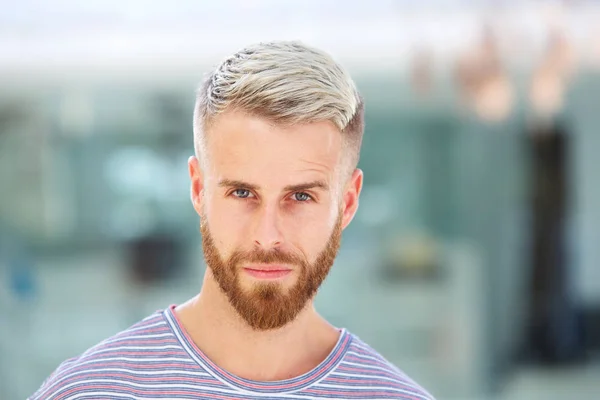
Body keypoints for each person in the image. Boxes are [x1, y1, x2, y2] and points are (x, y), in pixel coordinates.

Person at [30, 41, 435, 400]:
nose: (267, 235)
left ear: (347, 203)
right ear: (198, 189)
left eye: (300, 196)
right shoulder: (89, 392)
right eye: (242, 193)